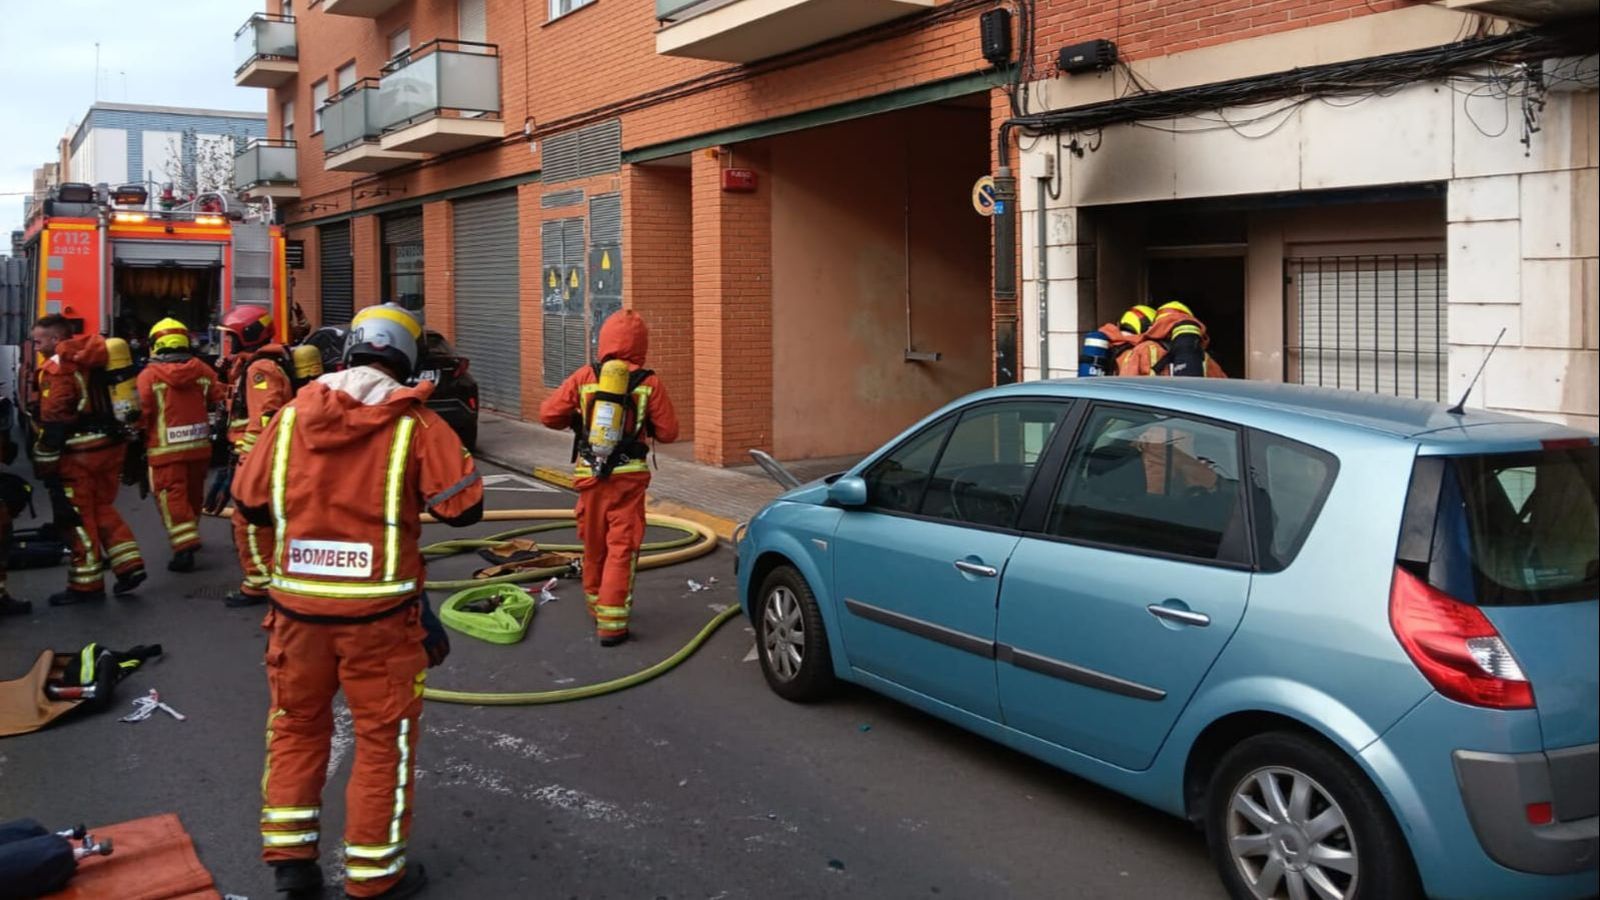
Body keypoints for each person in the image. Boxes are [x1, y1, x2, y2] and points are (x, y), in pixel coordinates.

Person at [232, 303, 482, 900]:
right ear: (407, 360)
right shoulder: (414, 424)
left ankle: (291, 863)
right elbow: (463, 507)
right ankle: (373, 877)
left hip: (296, 618)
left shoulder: (291, 418)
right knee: (381, 740)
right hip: (380, 622)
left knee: (295, 728)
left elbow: (248, 501)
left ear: (349, 353)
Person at [538, 309, 679, 646]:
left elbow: (547, 415)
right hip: (629, 478)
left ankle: (595, 605)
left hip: (590, 474)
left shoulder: (586, 375)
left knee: (594, 544)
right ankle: (612, 624)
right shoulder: (649, 382)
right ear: (641, 344)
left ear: (604, 340)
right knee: (622, 547)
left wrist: (576, 421)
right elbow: (670, 432)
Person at [30, 315, 146, 606]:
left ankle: (86, 585)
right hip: (108, 447)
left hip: (79, 454)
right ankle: (130, 565)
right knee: (101, 507)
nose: (35, 345)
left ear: (57, 340)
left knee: (78, 518)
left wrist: (44, 462)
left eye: (39, 340)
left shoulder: (58, 368)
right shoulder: (95, 357)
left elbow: (55, 416)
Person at [218, 306, 322, 608]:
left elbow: (266, 417)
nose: (229, 343)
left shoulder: (260, 369)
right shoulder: (262, 363)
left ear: (246, 335)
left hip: (260, 457)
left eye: (231, 336)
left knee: (248, 520)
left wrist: (248, 459)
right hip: (276, 455)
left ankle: (259, 584)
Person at [135, 318, 226, 573]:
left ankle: (184, 547)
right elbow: (220, 398)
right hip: (199, 448)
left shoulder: (148, 376)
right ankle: (190, 534)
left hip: (165, 452)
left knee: (171, 497)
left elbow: (141, 413)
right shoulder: (203, 371)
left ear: (156, 345)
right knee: (192, 495)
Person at [1115, 300, 1228, 378]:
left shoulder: (1144, 349)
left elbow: (1125, 385)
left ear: (1158, 324)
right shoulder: (1203, 357)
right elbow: (1222, 390)